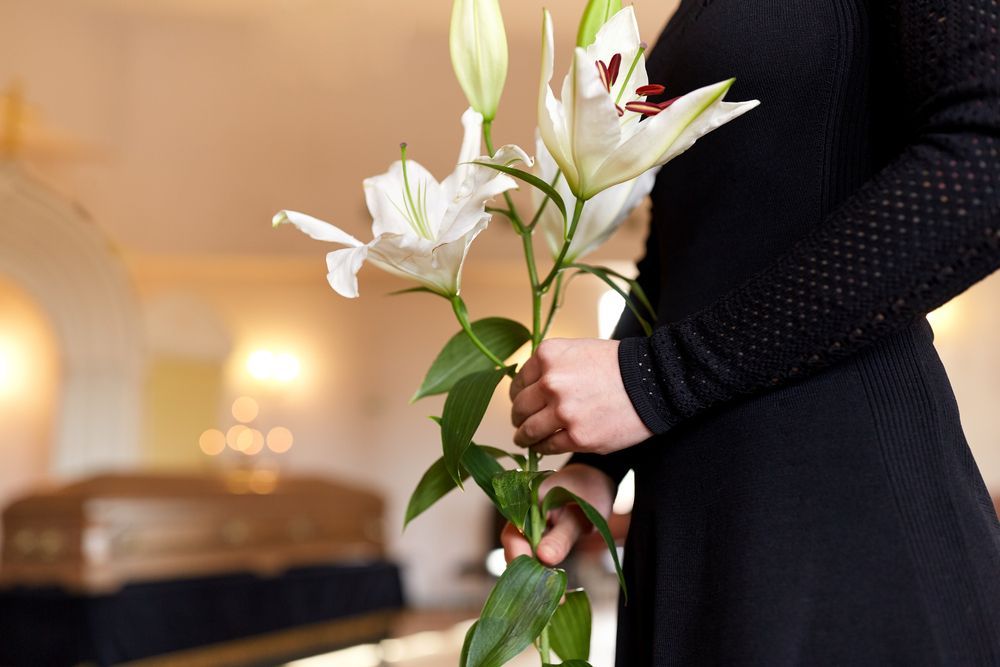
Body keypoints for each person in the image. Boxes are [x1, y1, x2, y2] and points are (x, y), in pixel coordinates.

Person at [502, 0, 1000, 664]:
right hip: (685, 528)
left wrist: (659, 378)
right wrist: (597, 465)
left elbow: (982, 165)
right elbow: (678, 255)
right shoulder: (686, 19)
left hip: (837, 515)